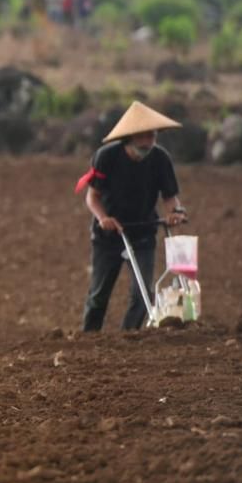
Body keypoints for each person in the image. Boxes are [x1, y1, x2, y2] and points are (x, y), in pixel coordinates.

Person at [75, 101, 189, 331]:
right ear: (130, 137)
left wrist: (175, 212)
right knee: (99, 294)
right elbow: (92, 197)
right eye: (143, 137)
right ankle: (88, 338)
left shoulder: (160, 159)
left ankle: (129, 337)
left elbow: (169, 197)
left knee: (144, 294)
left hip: (143, 233)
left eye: (152, 136)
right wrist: (103, 218)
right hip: (109, 235)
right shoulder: (107, 157)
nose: (148, 142)